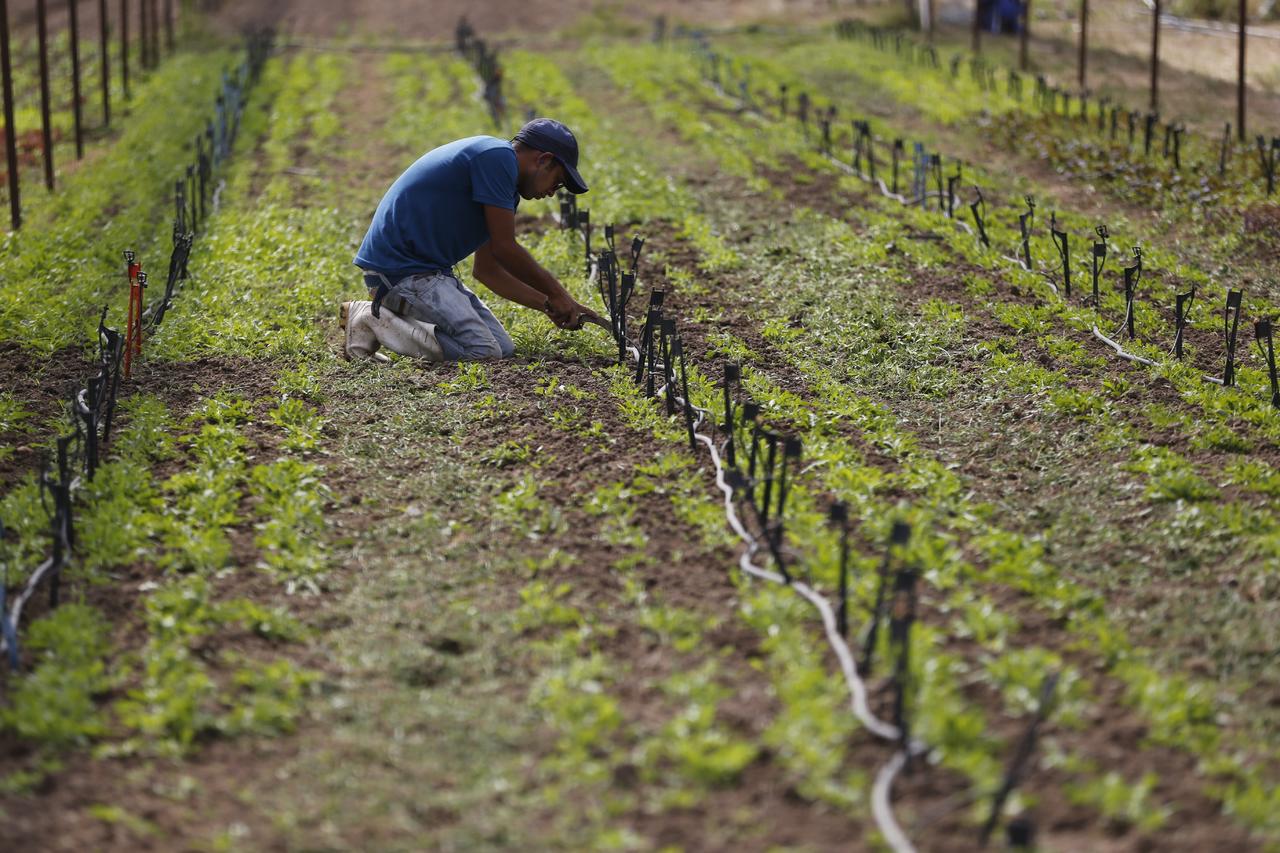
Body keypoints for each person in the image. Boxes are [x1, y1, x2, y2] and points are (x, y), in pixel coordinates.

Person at [340, 118, 603, 362]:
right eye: (556, 183)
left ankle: (388, 322)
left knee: (503, 349)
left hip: (428, 274)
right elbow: (505, 249)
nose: (551, 193)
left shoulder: (505, 188)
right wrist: (558, 293)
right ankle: (370, 319)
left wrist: (550, 305)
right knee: (482, 351)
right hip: (399, 271)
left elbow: (487, 271)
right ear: (544, 160)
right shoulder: (497, 159)